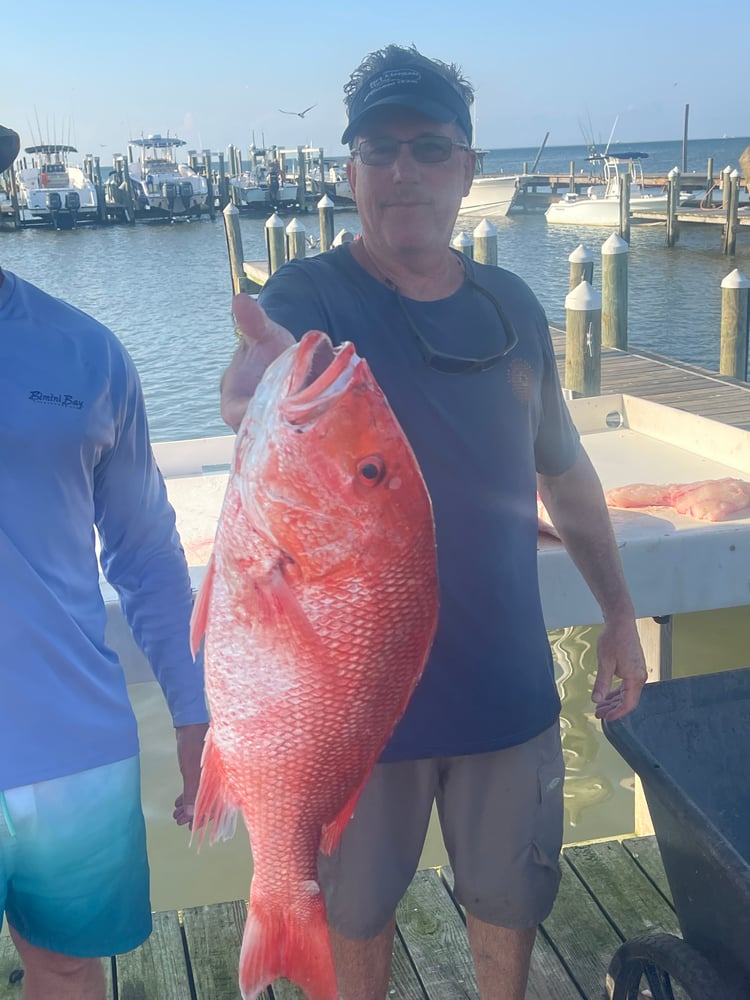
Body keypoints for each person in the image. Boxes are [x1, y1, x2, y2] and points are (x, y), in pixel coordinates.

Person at [219, 45, 648, 1000]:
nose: (401, 170)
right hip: (351, 715)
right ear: (351, 173)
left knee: (512, 900)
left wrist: (619, 613)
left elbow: (567, 476)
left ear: (468, 168)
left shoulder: (514, 307)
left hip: (506, 688)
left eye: (426, 146)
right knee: (352, 914)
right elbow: (259, 373)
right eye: (378, 150)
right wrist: (254, 386)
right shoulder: (311, 299)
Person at [0, 124, 208, 1000]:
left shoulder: (86, 352)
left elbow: (148, 551)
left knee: (65, 964)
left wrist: (196, 711)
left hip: (69, 741)